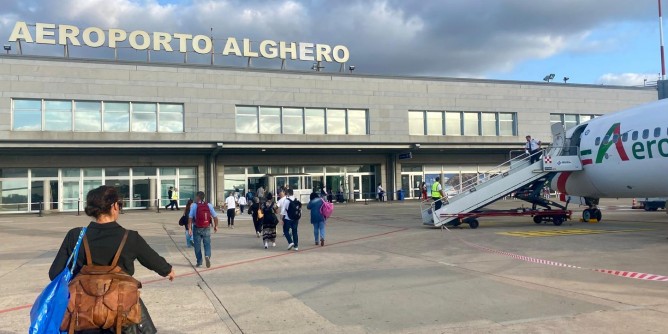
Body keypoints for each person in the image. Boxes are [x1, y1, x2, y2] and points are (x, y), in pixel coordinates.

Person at [49, 185, 175, 332]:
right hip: (120, 314)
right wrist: (168, 270)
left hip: (82, 314)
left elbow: (54, 273)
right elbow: (153, 260)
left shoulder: (75, 236)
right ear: (114, 206)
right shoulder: (130, 237)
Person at [188, 191, 219, 268]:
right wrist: (216, 226)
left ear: (198, 197)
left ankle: (199, 262)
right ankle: (207, 256)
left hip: (197, 227)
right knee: (207, 244)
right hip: (206, 227)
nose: (195, 198)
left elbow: (190, 217)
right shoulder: (208, 205)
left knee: (197, 246)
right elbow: (215, 217)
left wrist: (189, 228)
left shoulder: (194, 206)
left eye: (196, 196)